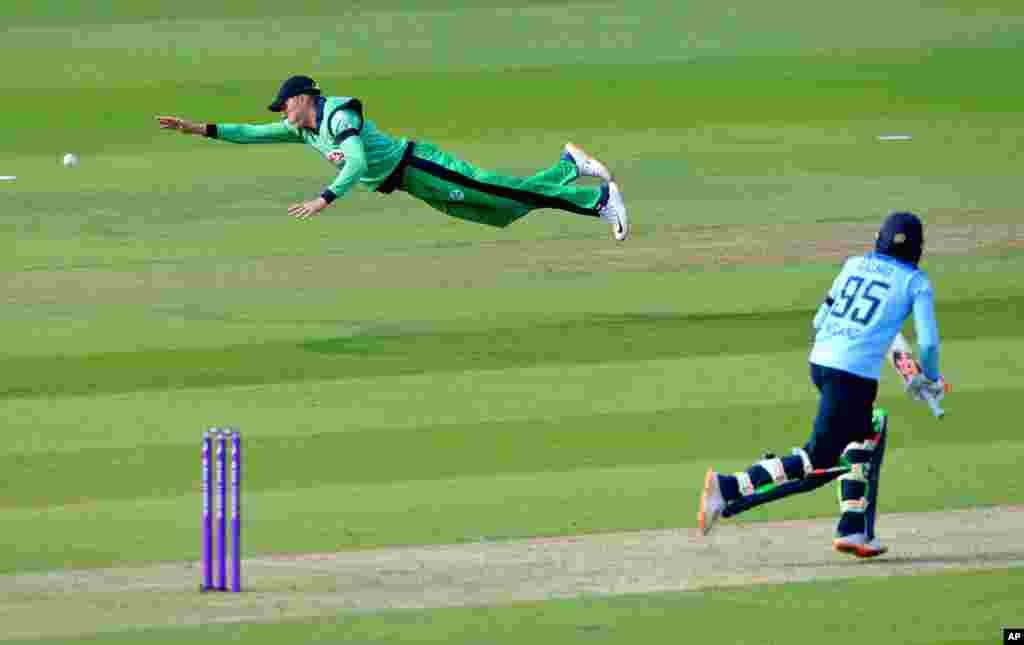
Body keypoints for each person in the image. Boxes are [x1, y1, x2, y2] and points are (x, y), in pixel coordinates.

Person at [698, 211, 946, 558]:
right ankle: (727, 488)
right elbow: (930, 343)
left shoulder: (854, 264)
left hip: (821, 362)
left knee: (867, 433)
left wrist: (894, 353)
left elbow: (822, 319)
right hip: (853, 378)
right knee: (817, 460)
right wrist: (931, 379)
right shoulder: (916, 282)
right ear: (918, 249)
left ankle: (853, 528)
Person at [157, 75, 629, 241]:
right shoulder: (301, 129)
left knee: (496, 189)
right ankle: (568, 167)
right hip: (408, 183)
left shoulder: (338, 118)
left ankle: (598, 200)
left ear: (304, 98)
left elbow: (358, 163)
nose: (282, 115)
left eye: (286, 106)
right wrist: (197, 129)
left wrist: (325, 199)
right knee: (499, 214)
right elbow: (249, 133)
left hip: (418, 165)